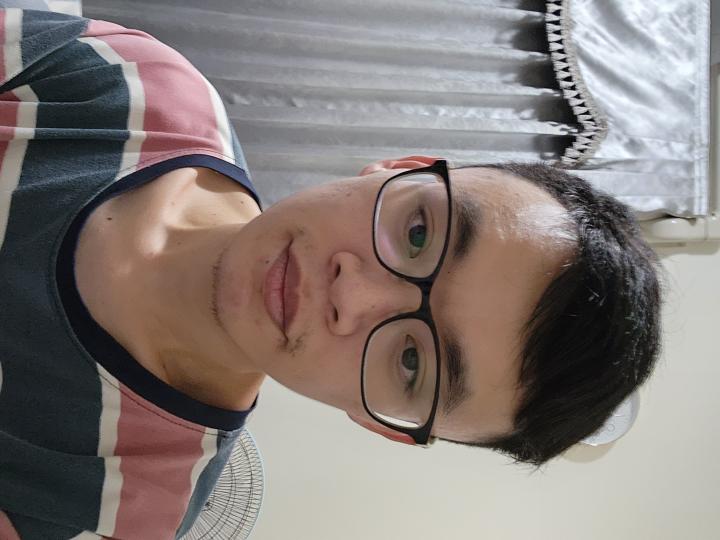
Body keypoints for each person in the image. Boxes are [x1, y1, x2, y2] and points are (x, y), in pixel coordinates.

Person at [0, 6, 662, 540]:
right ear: (400, 169)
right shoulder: (133, 86)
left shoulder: (115, 513)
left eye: (411, 362)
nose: (354, 293)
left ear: (382, 423)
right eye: (419, 232)